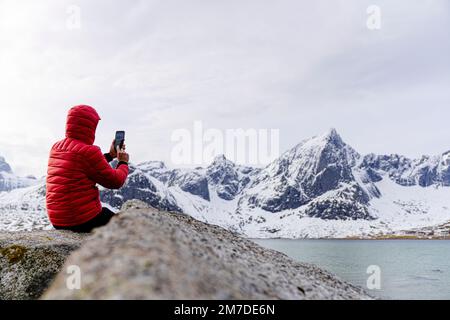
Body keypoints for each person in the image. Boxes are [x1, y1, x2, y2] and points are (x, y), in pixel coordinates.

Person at [46, 105, 129, 232]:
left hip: (57, 220)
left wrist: (110, 155)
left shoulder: (56, 147)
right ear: (91, 127)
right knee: (125, 226)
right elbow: (115, 181)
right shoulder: (89, 152)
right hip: (80, 220)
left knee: (106, 213)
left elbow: (84, 165)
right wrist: (123, 162)